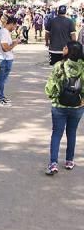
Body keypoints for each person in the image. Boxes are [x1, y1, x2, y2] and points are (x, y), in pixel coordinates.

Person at [44, 41, 84, 175]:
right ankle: (69, 161)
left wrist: (53, 96)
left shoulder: (59, 66)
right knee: (72, 133)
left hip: (59, 106)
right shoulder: (83, 67)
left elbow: (50, 87)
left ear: (70, 51)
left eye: (65, 47)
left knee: (56, 133)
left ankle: (53, 163)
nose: (63, 48)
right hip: (77, 106)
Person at [0, 17, 20, 107]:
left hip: (6, 59)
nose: (15, 28)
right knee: (2, 80)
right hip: (5, 59)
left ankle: (1, 96)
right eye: (15, 26)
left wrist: (13, 42)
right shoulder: (4, 32)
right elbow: (5, 48)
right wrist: (15, 43)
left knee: (3, 80)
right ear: (12, 24)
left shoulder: (5, 32)